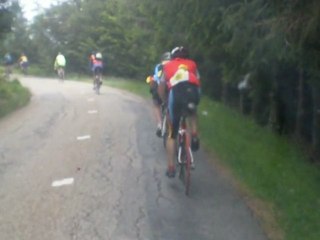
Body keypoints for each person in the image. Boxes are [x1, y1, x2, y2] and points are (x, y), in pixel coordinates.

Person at [158, 46, 201, 178]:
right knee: (192, 112)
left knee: (172, 134)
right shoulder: (193, 64)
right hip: (192, 93)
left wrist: (164, 101)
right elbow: (198, 82)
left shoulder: (167, 66)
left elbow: (161, 88)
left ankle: (171, 168)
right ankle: (194, 134)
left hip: (176, 95)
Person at [148, 52, 171, 137]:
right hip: (171, 89)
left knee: (156, 104)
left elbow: (156, 79)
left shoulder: (158, 66)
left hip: (161, 88)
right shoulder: (174, 65)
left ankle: (160, 125)